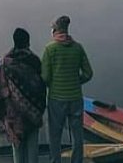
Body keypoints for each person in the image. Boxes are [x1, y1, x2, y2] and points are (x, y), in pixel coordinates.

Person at [0, 28, 47, 163]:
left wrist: (4, 112)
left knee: (17, 152)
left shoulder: (6, 62)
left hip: (13, 115)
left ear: (14, 42)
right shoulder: (34, 60)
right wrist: (38, 108)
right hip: (33, 113)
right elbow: (41, 86)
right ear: (28, 42)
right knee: (33, 152)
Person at [41, 15, 93, 163]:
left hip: (56, 99)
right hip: (76, 98)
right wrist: (76, 82)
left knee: (55, 135)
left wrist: (53, 84)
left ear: (55, 31)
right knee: (78, 135)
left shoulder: (50, 49)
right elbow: (89, 73)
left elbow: (44, 77)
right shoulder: (78, 48)